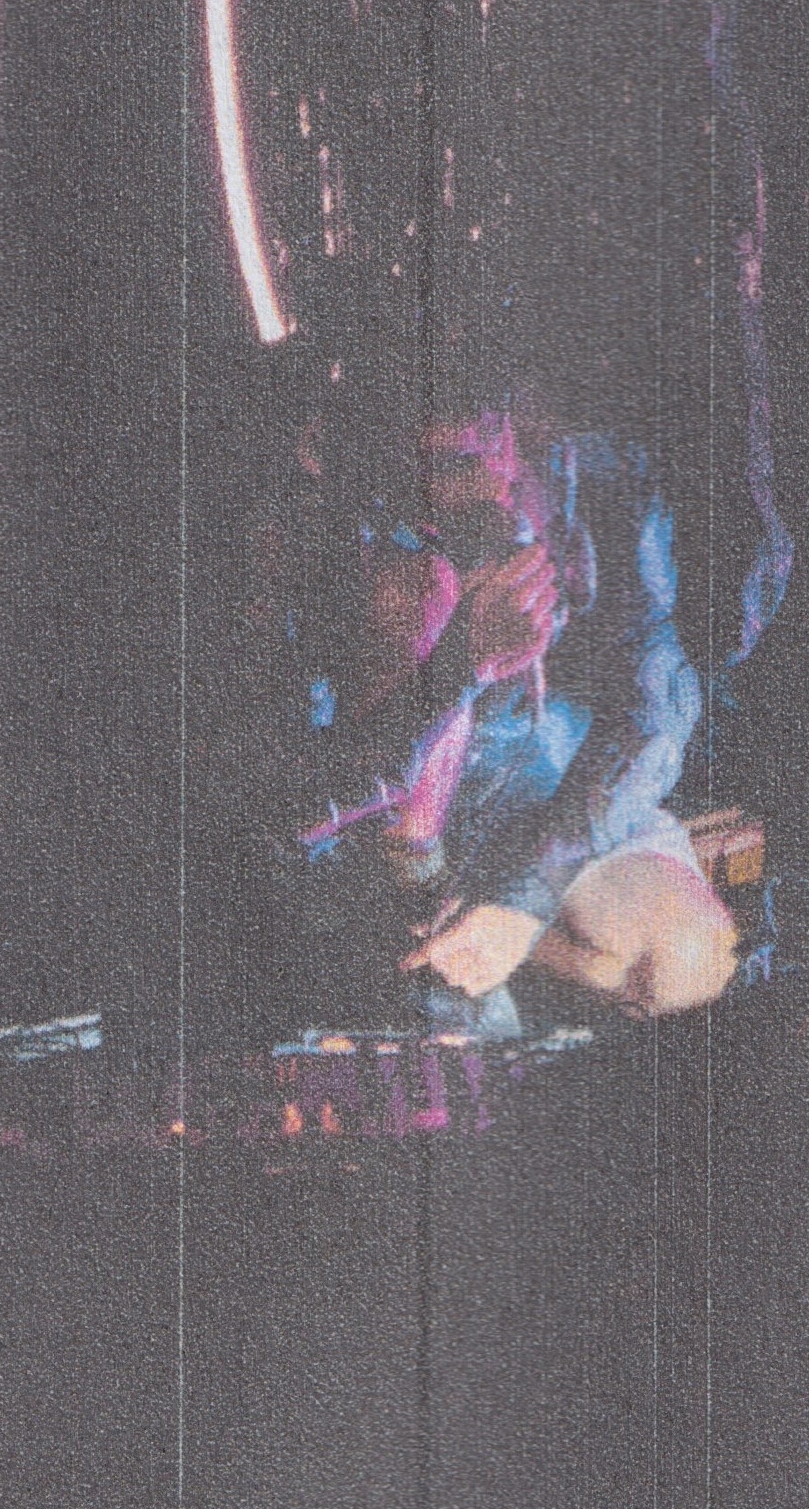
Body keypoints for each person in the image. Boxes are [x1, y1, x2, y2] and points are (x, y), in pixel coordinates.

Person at [246, 366, 740, 1029]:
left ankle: (504, 949)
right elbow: (289, 816)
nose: (493, 483)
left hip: (547, 798)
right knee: (482, 1017)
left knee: (684, 959)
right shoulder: (298, 541)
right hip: (392, 849)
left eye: (501, 446)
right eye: (451, 463)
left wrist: (524, 901)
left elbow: (658, 703)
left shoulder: (588, 479)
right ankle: (459, 967)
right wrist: (461, 669)